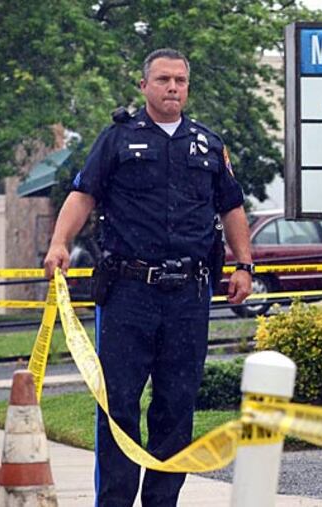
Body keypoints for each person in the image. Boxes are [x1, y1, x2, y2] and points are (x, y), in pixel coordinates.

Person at [43, 48, 254, 506]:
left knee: (176, 407)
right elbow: (83, 194)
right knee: (118, 404)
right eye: (163, 80)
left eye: (180, 80)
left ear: (188, 87)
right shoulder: (118, 138)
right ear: (144, 86)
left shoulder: (207, 143)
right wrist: (60, 242)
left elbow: (231, 206)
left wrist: (244, 264)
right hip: (128, 294)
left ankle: (163, 502)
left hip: (189, 296)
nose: (172, 87)